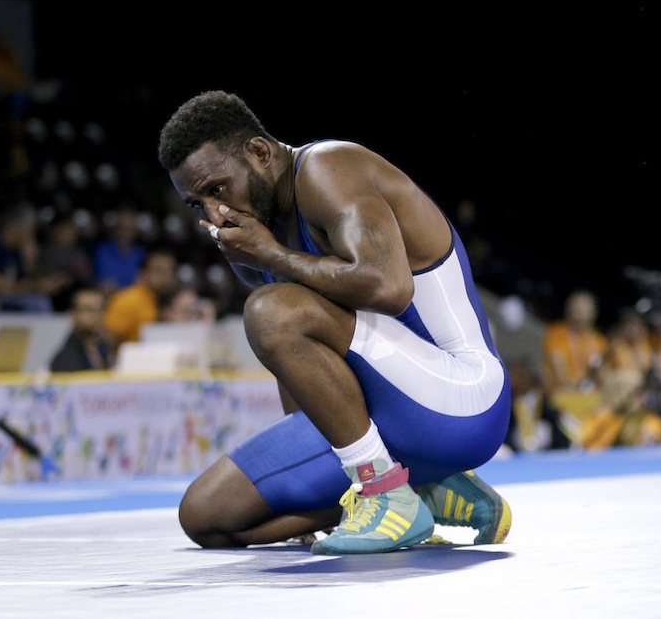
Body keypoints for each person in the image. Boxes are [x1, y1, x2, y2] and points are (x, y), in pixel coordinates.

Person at [157, 90, 511, 555]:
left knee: (268, 310)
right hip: (387, 421)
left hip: (462, 405)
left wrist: (272, 255)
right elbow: (297, 360)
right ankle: (419, 488)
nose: (214, 214)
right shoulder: (253, 235)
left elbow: (388, 287)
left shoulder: (326, 170)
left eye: (217, 190)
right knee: (205, 517)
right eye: (197, 205)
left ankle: (385, 492)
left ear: (259, 152)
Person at [101, 248, 179, 351]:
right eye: (159, 271)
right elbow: (108, 340)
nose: (166, 278)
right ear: (143, 273)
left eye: (169, 272)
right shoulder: (128, 300)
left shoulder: (172, 301)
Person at [49, 285, 115, 372]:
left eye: (100, 309)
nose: (96, 315)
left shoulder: (102, 345)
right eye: (89, 310)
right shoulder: (67, 354)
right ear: (73, 314)